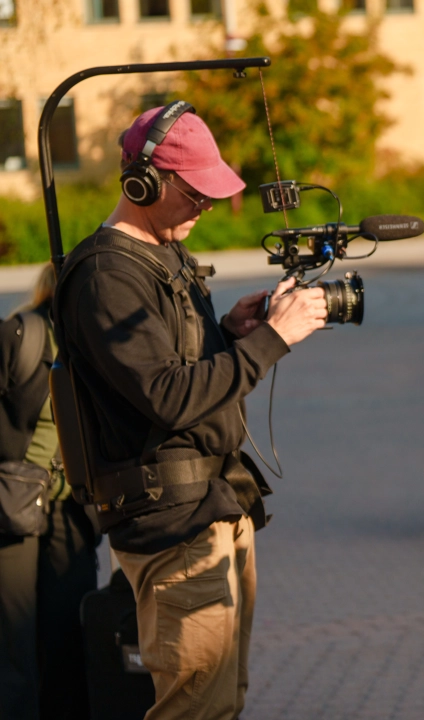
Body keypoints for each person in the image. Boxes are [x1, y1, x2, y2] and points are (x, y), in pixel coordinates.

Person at [54, 103, 330, 720]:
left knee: (220, 700)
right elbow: (169, 397)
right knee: (194, 707)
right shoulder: (106, 275)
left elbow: (179, 371)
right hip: (170, 523)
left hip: (214, 505)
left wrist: (231, 333)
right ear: (143, 182)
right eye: (196, 191)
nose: (206, 206)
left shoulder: (164, 254)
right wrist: (273, 340)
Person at [0, 263, 100, 720]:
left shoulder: (98, 342)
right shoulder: (24, 334)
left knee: (67, 635)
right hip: (12, 505)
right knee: (13, 639)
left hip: (72, 510)